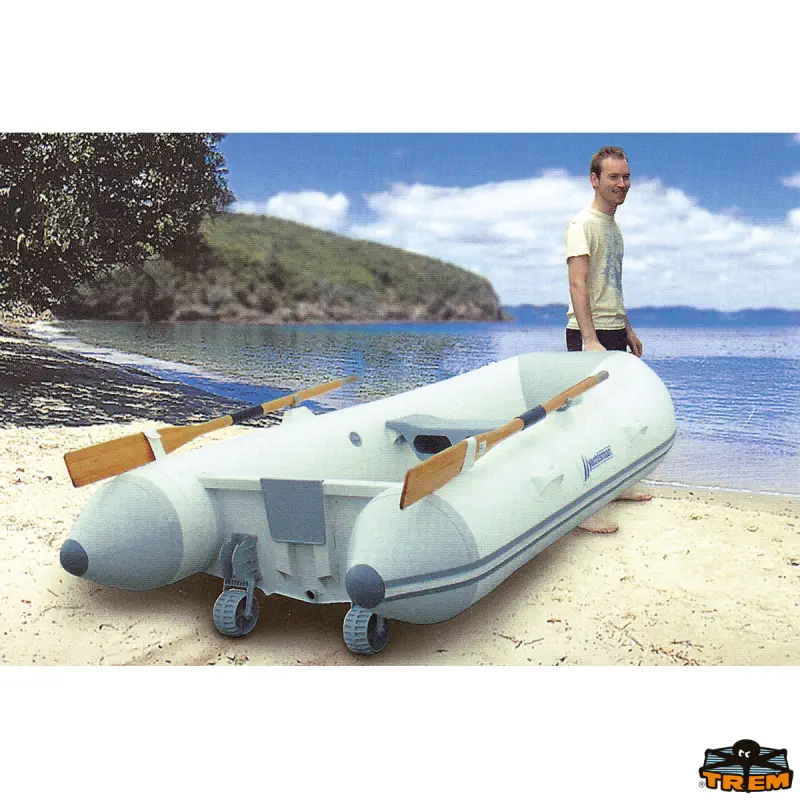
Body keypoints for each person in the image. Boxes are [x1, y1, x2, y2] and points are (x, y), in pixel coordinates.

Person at [565, 146, 651, 533]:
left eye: (626, 177)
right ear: (594, 180)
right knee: (587, 421)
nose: (622, 184)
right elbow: (578, 283)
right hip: (589, 334)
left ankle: (612, 488)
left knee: (614, 415)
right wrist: (589, 338)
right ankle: (582, 510)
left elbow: (611, 286)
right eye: (614, 177)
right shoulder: (582, 224)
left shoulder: (614, 229)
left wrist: (627, 329)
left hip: (613, 329)